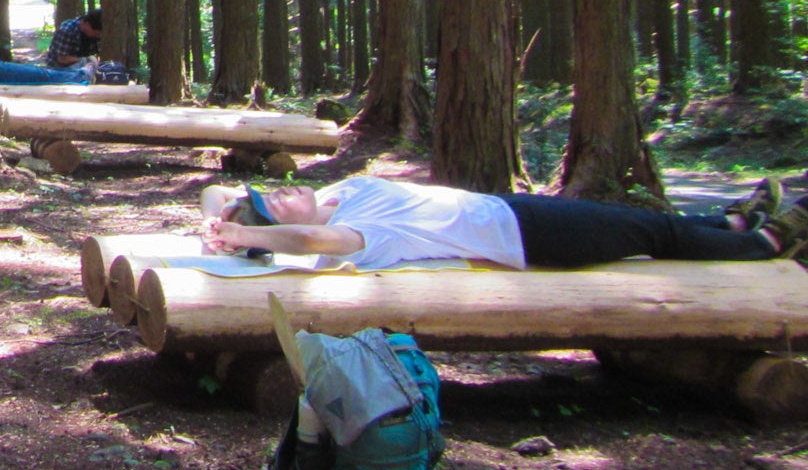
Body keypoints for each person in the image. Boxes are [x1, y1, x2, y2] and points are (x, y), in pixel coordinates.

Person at [200, 173, 808, 269]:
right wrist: (246, 235)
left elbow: (214, 190)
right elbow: (308, 239)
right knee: (651, 235)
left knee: (641, 220)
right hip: (529, 235)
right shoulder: (359, 237)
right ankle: (761, 243)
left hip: (511, 208)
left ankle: (727, 222)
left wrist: (218, 223)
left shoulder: (338, 194)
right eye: (275, 202)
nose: (283, 191)